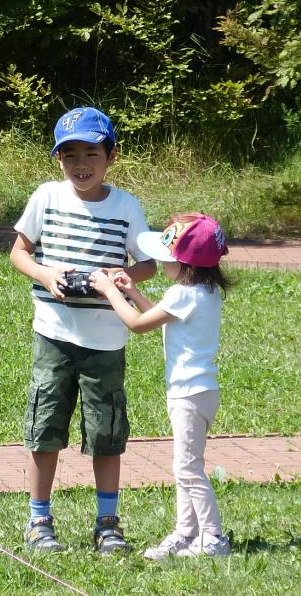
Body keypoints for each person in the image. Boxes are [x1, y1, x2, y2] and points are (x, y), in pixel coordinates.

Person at [9, 107, 155, 553]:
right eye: (69, 155)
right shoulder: (47, 197)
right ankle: (39, 521)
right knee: (44, 426)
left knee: (106, 433)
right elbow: (19, 252)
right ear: (58, 160)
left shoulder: (126, 206)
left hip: (106, 340)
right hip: (53, 334)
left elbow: (148, 262)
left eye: (90, 152)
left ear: (111, 155)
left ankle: (107, 522)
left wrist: (124, 275)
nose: (80, 164)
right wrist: (47, 275)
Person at [90, 213, 232, 559]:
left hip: (188, 394)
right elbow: (159, 316)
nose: (163, 265)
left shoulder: (182, 294)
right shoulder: (205, 292)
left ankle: (213, 538)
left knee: (187, 468)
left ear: (183, 264)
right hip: (200, 392)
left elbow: (139, 325)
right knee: (185, 465)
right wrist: (132, 291)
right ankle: (186, 533)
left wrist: (110, 291)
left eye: (167, 259)